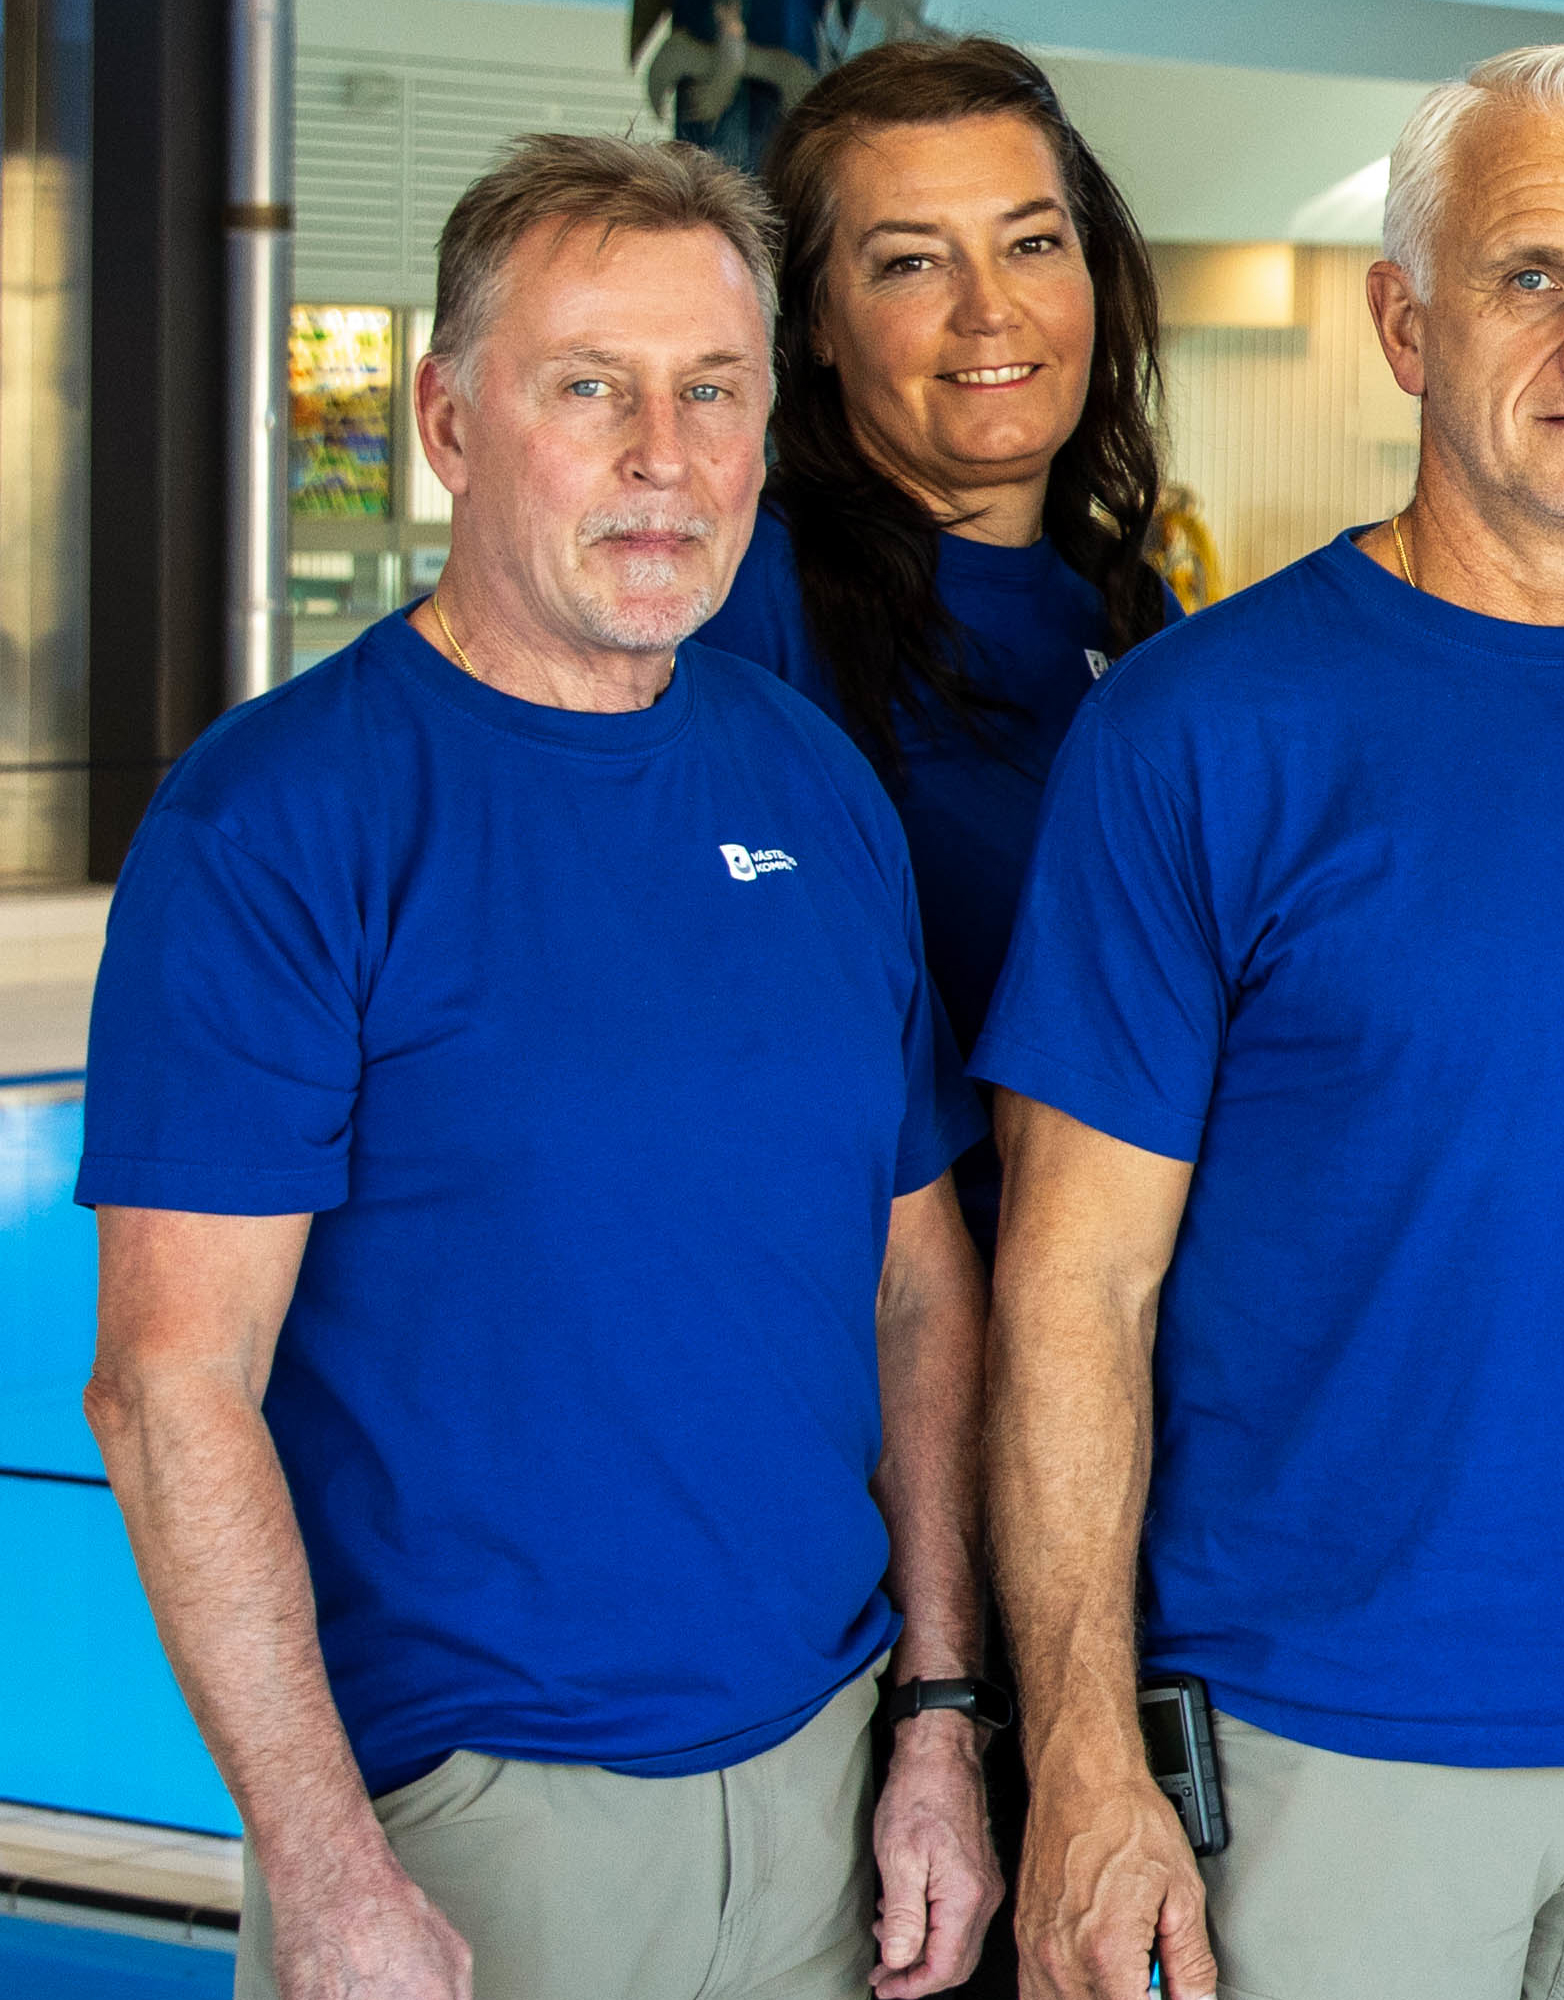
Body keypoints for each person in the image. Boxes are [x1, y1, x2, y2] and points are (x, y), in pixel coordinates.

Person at [977, 45, 1564, 2000]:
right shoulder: (1197, 734)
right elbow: (1075, 1290)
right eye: (1532, 277)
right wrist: (1079, 1749)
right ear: (1405, 323)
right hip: (1320, 1728)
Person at [80, 135, 995, 2000]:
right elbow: (173, 1397)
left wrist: (938, 1716)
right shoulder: (279, 820)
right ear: (447, 419)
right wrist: (328, 1866)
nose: (664, 455)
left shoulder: (810, 783)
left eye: (712, 391)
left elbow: (915, 1286)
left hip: (826, 1793)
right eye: (591, 388)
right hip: (473, 1830)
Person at [701, 33, 1182, 1244]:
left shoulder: (1133, 614)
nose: (990, 310)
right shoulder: (739, 597)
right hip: (870, 1359)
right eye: (911, 262)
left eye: (1032, 243)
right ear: (812, 322)